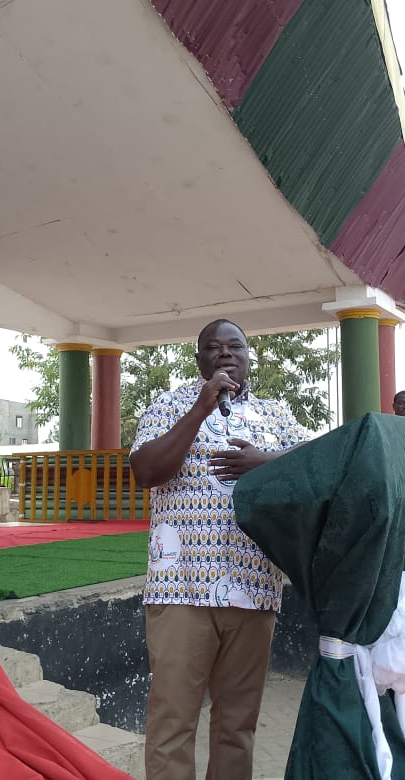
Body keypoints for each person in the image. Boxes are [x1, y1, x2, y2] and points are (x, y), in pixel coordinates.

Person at [129, 319, 310, 780]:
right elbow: (146, 471)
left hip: (255, 589)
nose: (226, 353)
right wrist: (200, 409)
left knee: (237, 726)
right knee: (172, 722)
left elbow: (314, 468)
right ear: (199, 360)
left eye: (236, 347)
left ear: (249, 357)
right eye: (214, 347)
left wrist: (264, 462)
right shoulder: (169, 405)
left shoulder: (276, 416)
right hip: (180, 590)